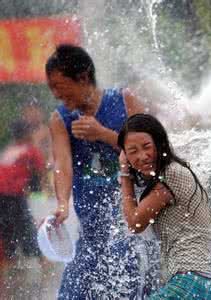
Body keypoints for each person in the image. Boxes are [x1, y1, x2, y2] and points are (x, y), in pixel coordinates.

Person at [45, 44, 160, 298]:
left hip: (132, 234)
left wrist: (104, 134)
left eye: (59, 85)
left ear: (83, 77)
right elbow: (62, 164)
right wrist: (62, 204)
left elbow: (150, 154)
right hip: (89, 237)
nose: (56, 94)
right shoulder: (60, 119)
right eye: (51, 87)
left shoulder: (125, 100)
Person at [118, 113, 211, 299]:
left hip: (191, 283)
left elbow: (135, 223)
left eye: (146, 147)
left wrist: (124, 174)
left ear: (160, 143)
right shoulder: (171, 172)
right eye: (132, 151)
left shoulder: (171, 177)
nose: (142, 156)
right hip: (207, 285)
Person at [0, 121, 46, 273]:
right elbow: (40, 171)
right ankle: (44, 264)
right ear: (27, 135)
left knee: (6, 228)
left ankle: (8, 264)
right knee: (25, 227)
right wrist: (41, 188)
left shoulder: (9, 150)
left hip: (3, 194)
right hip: (13, 194)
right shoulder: (31, 151)